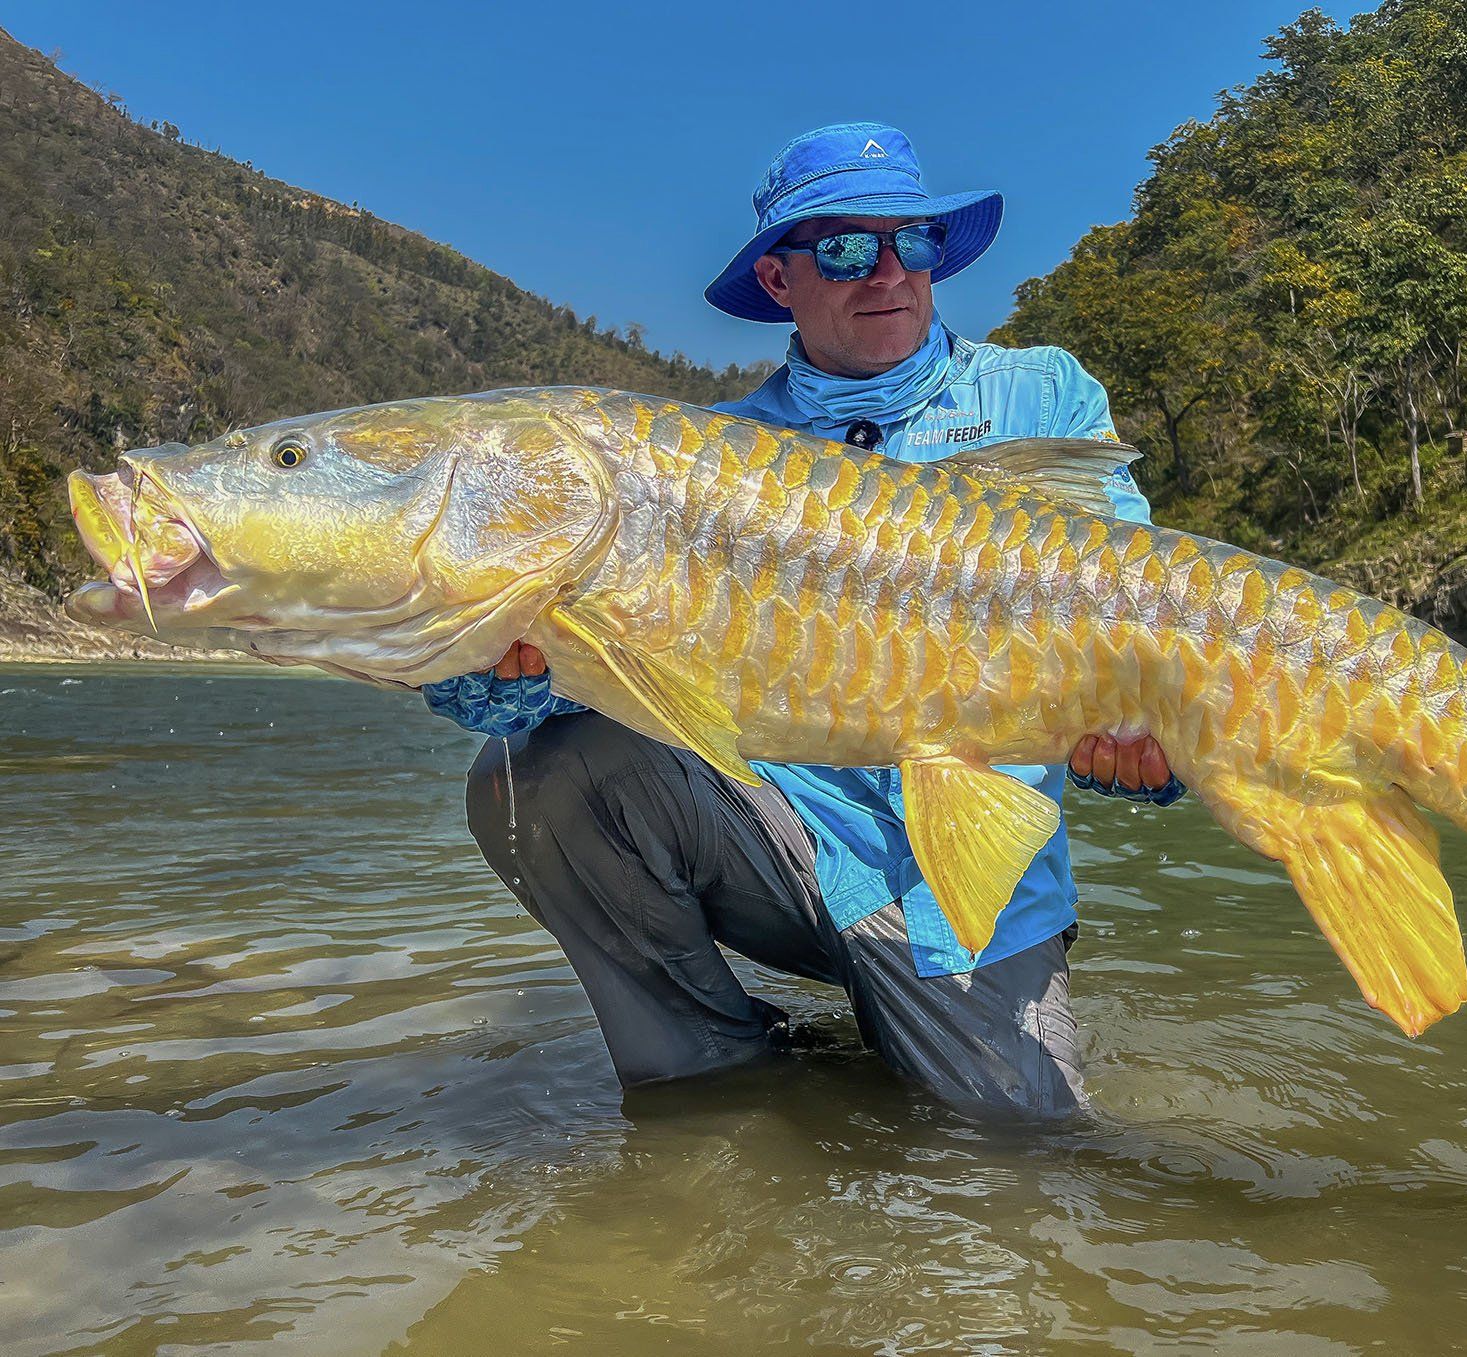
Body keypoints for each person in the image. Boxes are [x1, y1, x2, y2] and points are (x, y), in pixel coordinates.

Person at [425, 122, 1183, 1115]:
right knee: (540, 773)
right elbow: (562, 692)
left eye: (912, 242)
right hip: (776, 847)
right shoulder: (710, 456)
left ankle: (905, 1038)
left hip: (969, 890)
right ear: (779, 282)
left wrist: (1156, 745)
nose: (887, 273)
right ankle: (719, 1081)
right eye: (842, 249)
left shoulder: (1040, 396)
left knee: (1020, 1173)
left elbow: (1147, 622)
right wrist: (494, 671)